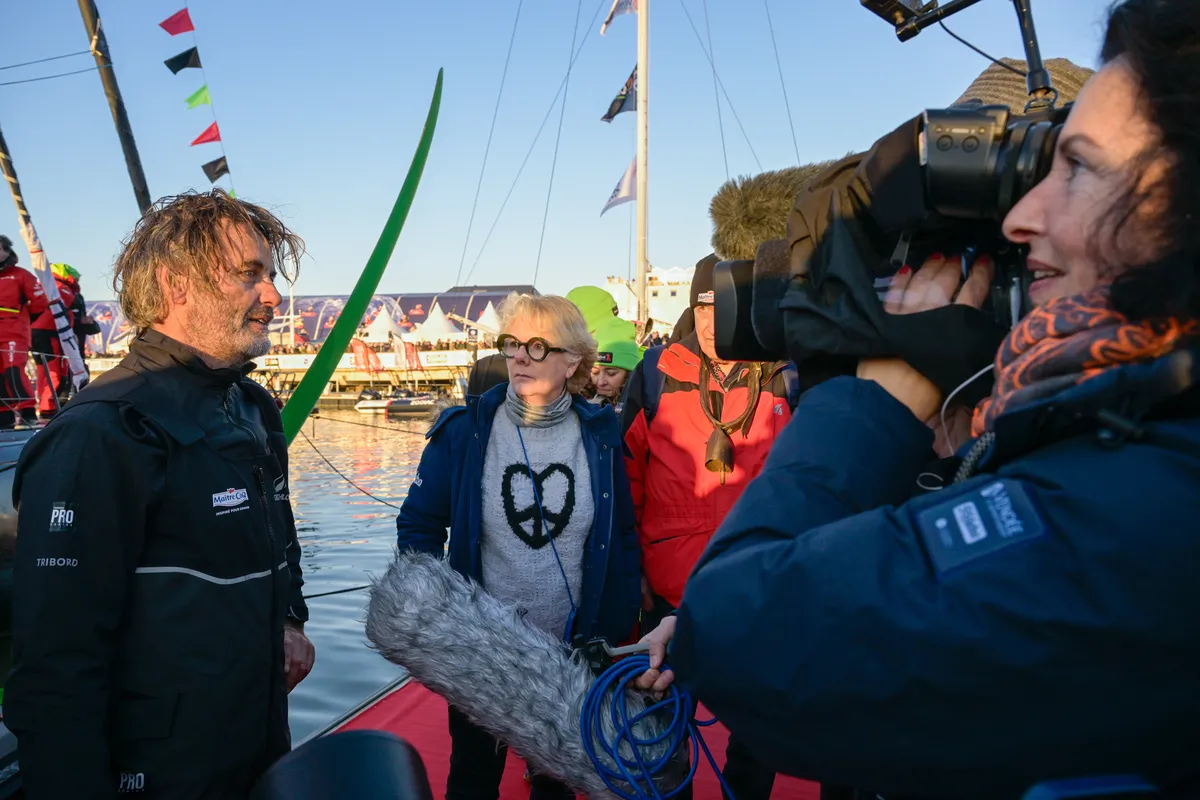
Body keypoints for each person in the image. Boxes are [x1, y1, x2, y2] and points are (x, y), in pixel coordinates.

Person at [639, 2, 1200, 796]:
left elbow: (741, 630)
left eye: (1075, 168)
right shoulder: (1129, 425)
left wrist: (875, 404)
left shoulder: (1150, 502)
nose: (1022, 217)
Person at [7, 189, 316, 799]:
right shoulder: (103, 432)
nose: (273, 297)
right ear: (177, 285)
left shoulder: (252, 408)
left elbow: (280, 537)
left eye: (271, 277)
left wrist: (289, 619)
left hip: (256, 743)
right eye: (250, 274)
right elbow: (55, 668)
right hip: (159, 769)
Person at [395, 293, 641, 800]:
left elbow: (620, 536)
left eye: (537, 346)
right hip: (481, 650)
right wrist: (440, 616)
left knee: (558, 784)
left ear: (572, 361)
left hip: (569, 652)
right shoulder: (465, 432)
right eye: (511, 344)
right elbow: (418, 525)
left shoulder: (601, 436)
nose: (520, 357)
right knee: (473, 778)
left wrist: (616, 630)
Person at [621, 253, 798, 800]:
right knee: (663, 734)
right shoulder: (654, 371)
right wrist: (633, 570)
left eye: (722, 306)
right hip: (668, 589)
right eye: (702, 306)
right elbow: (626, 478)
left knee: (755, 736)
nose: (711, 319)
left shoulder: (783, 374)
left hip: (756, 585)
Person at [0, 234, 47, 428]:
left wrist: (24, 319)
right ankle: (4, 416)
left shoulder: (20, 275)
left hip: (14, 330)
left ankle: (28, 412)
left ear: (6, 251)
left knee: (13, 370)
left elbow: (40, 301)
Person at [31, 262, 80, 419]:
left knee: (43, 371)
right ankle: (48, 409)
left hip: (35, 333)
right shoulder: (60, 288)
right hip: (51, 333)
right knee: (55, 373)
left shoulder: (41, 287)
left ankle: (44, 406)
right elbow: (69, 305)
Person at [590, 319, 642, 413]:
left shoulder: (644, 410)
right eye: (595, 372)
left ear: (629, 375)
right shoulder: (575, 403)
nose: (600, 382)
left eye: (611, 373)